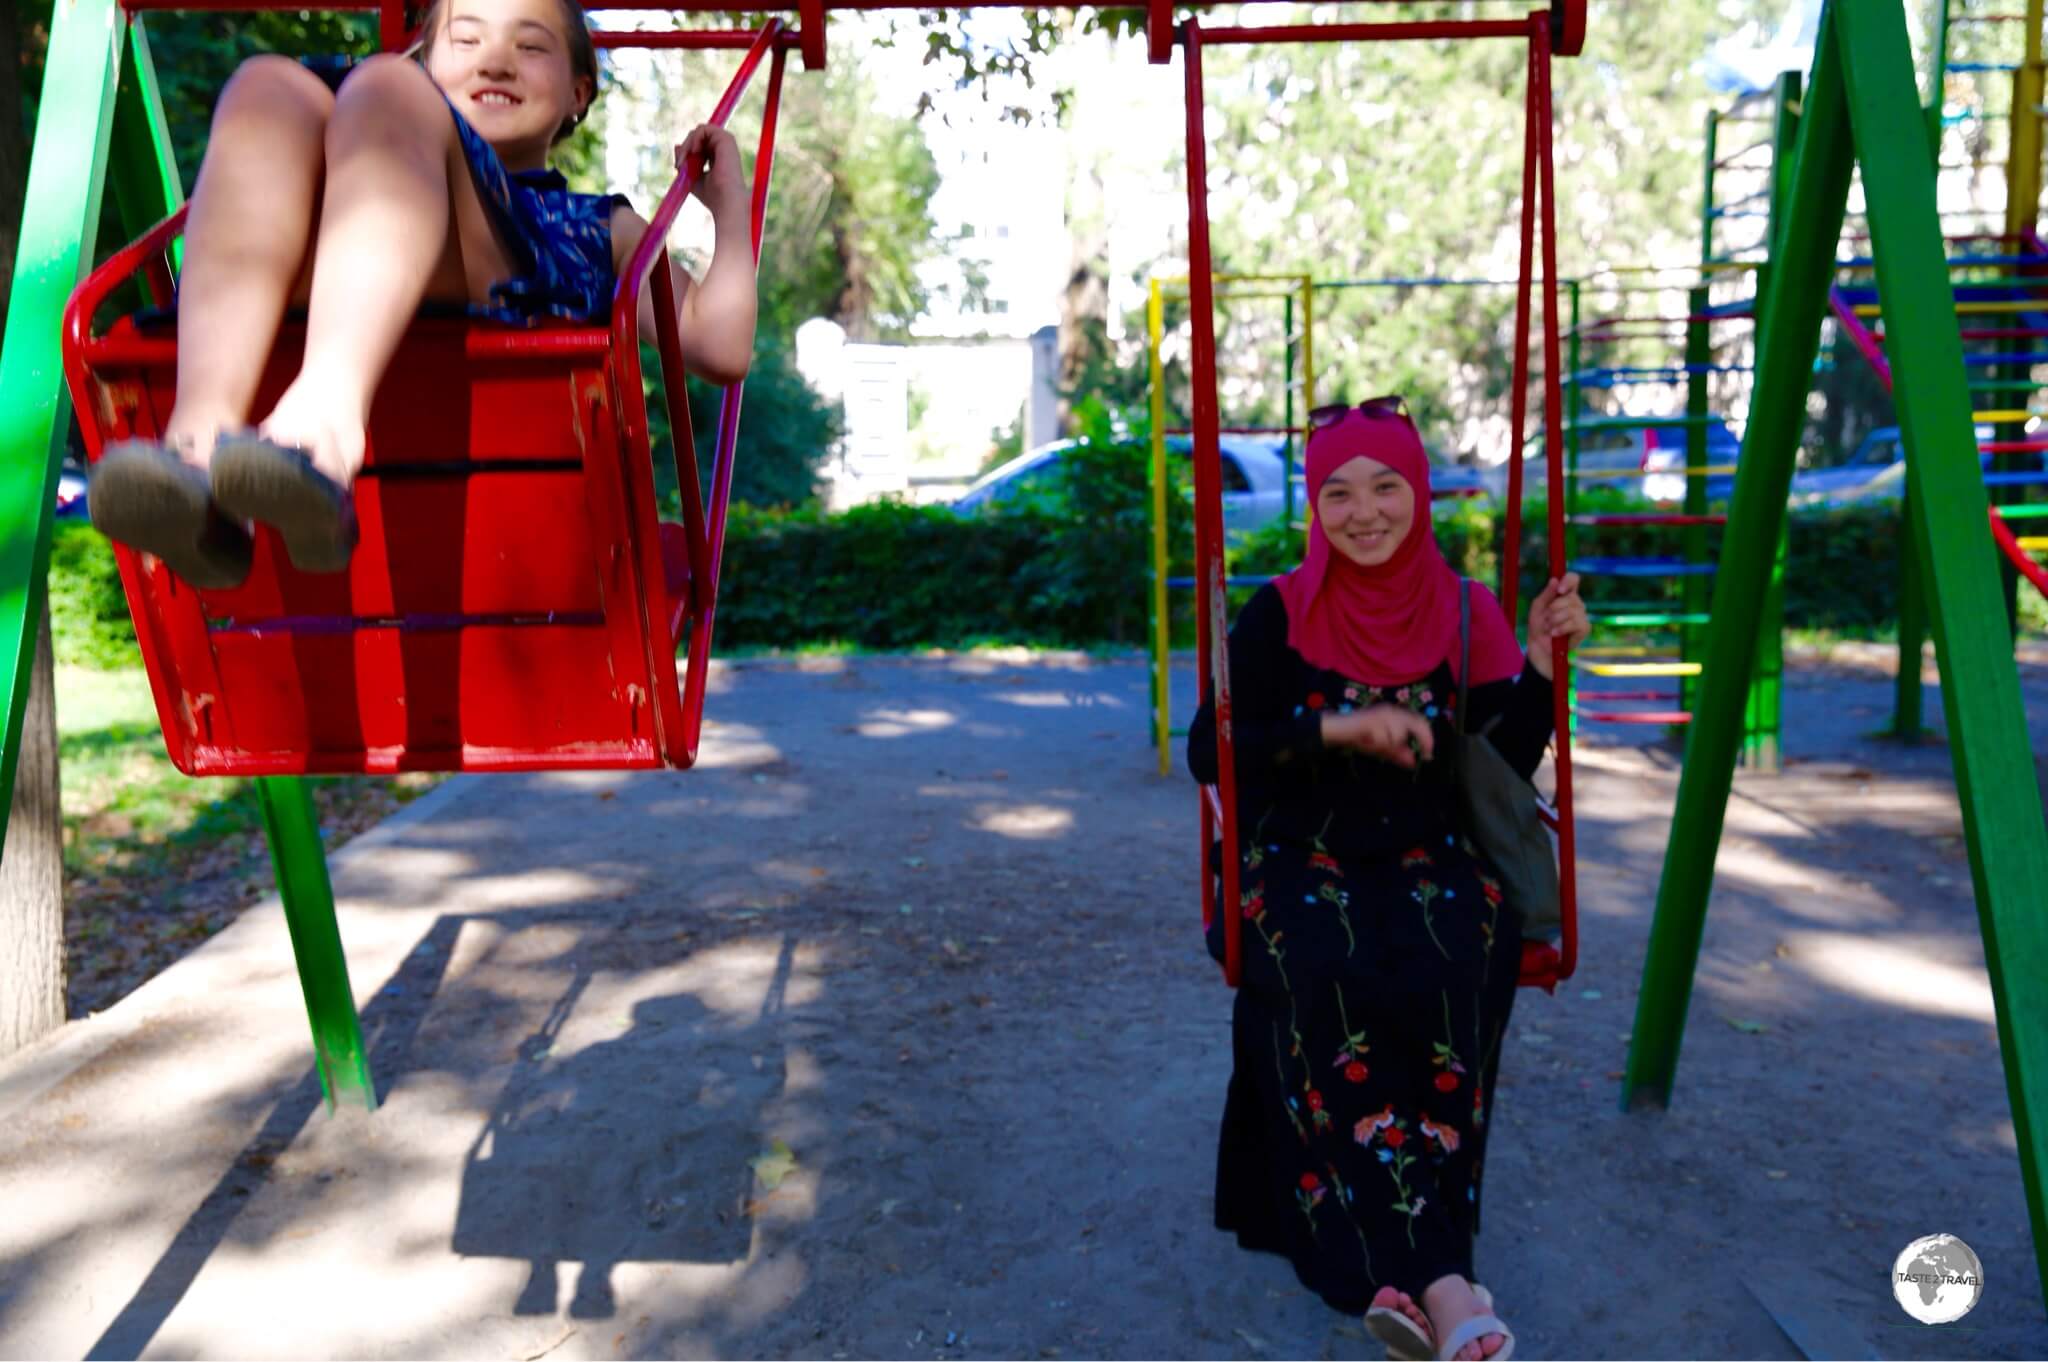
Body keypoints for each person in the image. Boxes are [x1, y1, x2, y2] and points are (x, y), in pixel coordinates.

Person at [87, 0, 759, 588]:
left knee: (383, 87)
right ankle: (198, 451)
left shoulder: (600, 226)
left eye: (530, 46)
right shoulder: (372, 147)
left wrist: (729, 209)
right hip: (330, 259)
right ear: (429, 60)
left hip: (510, 297)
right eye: (465, 41)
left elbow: (717, 345)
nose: (495, 61)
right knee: (265, 87)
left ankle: (322, 428)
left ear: (580, 92)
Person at [1187, 399, 1589, 1362]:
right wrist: (1339, 728)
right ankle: (1445, 1284)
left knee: (1457, 958)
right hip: (1301, 848)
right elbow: (1213, 749)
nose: (1362, 512)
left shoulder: (1464, 609)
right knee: (1328, 970)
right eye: (1336, 493)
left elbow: (1503, 758)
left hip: (1427, 848)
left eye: (1384, 487)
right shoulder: (1278, 611)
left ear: (1419, 492)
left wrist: (1537, 661)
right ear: (1314, 508)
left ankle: (1400, 1275)